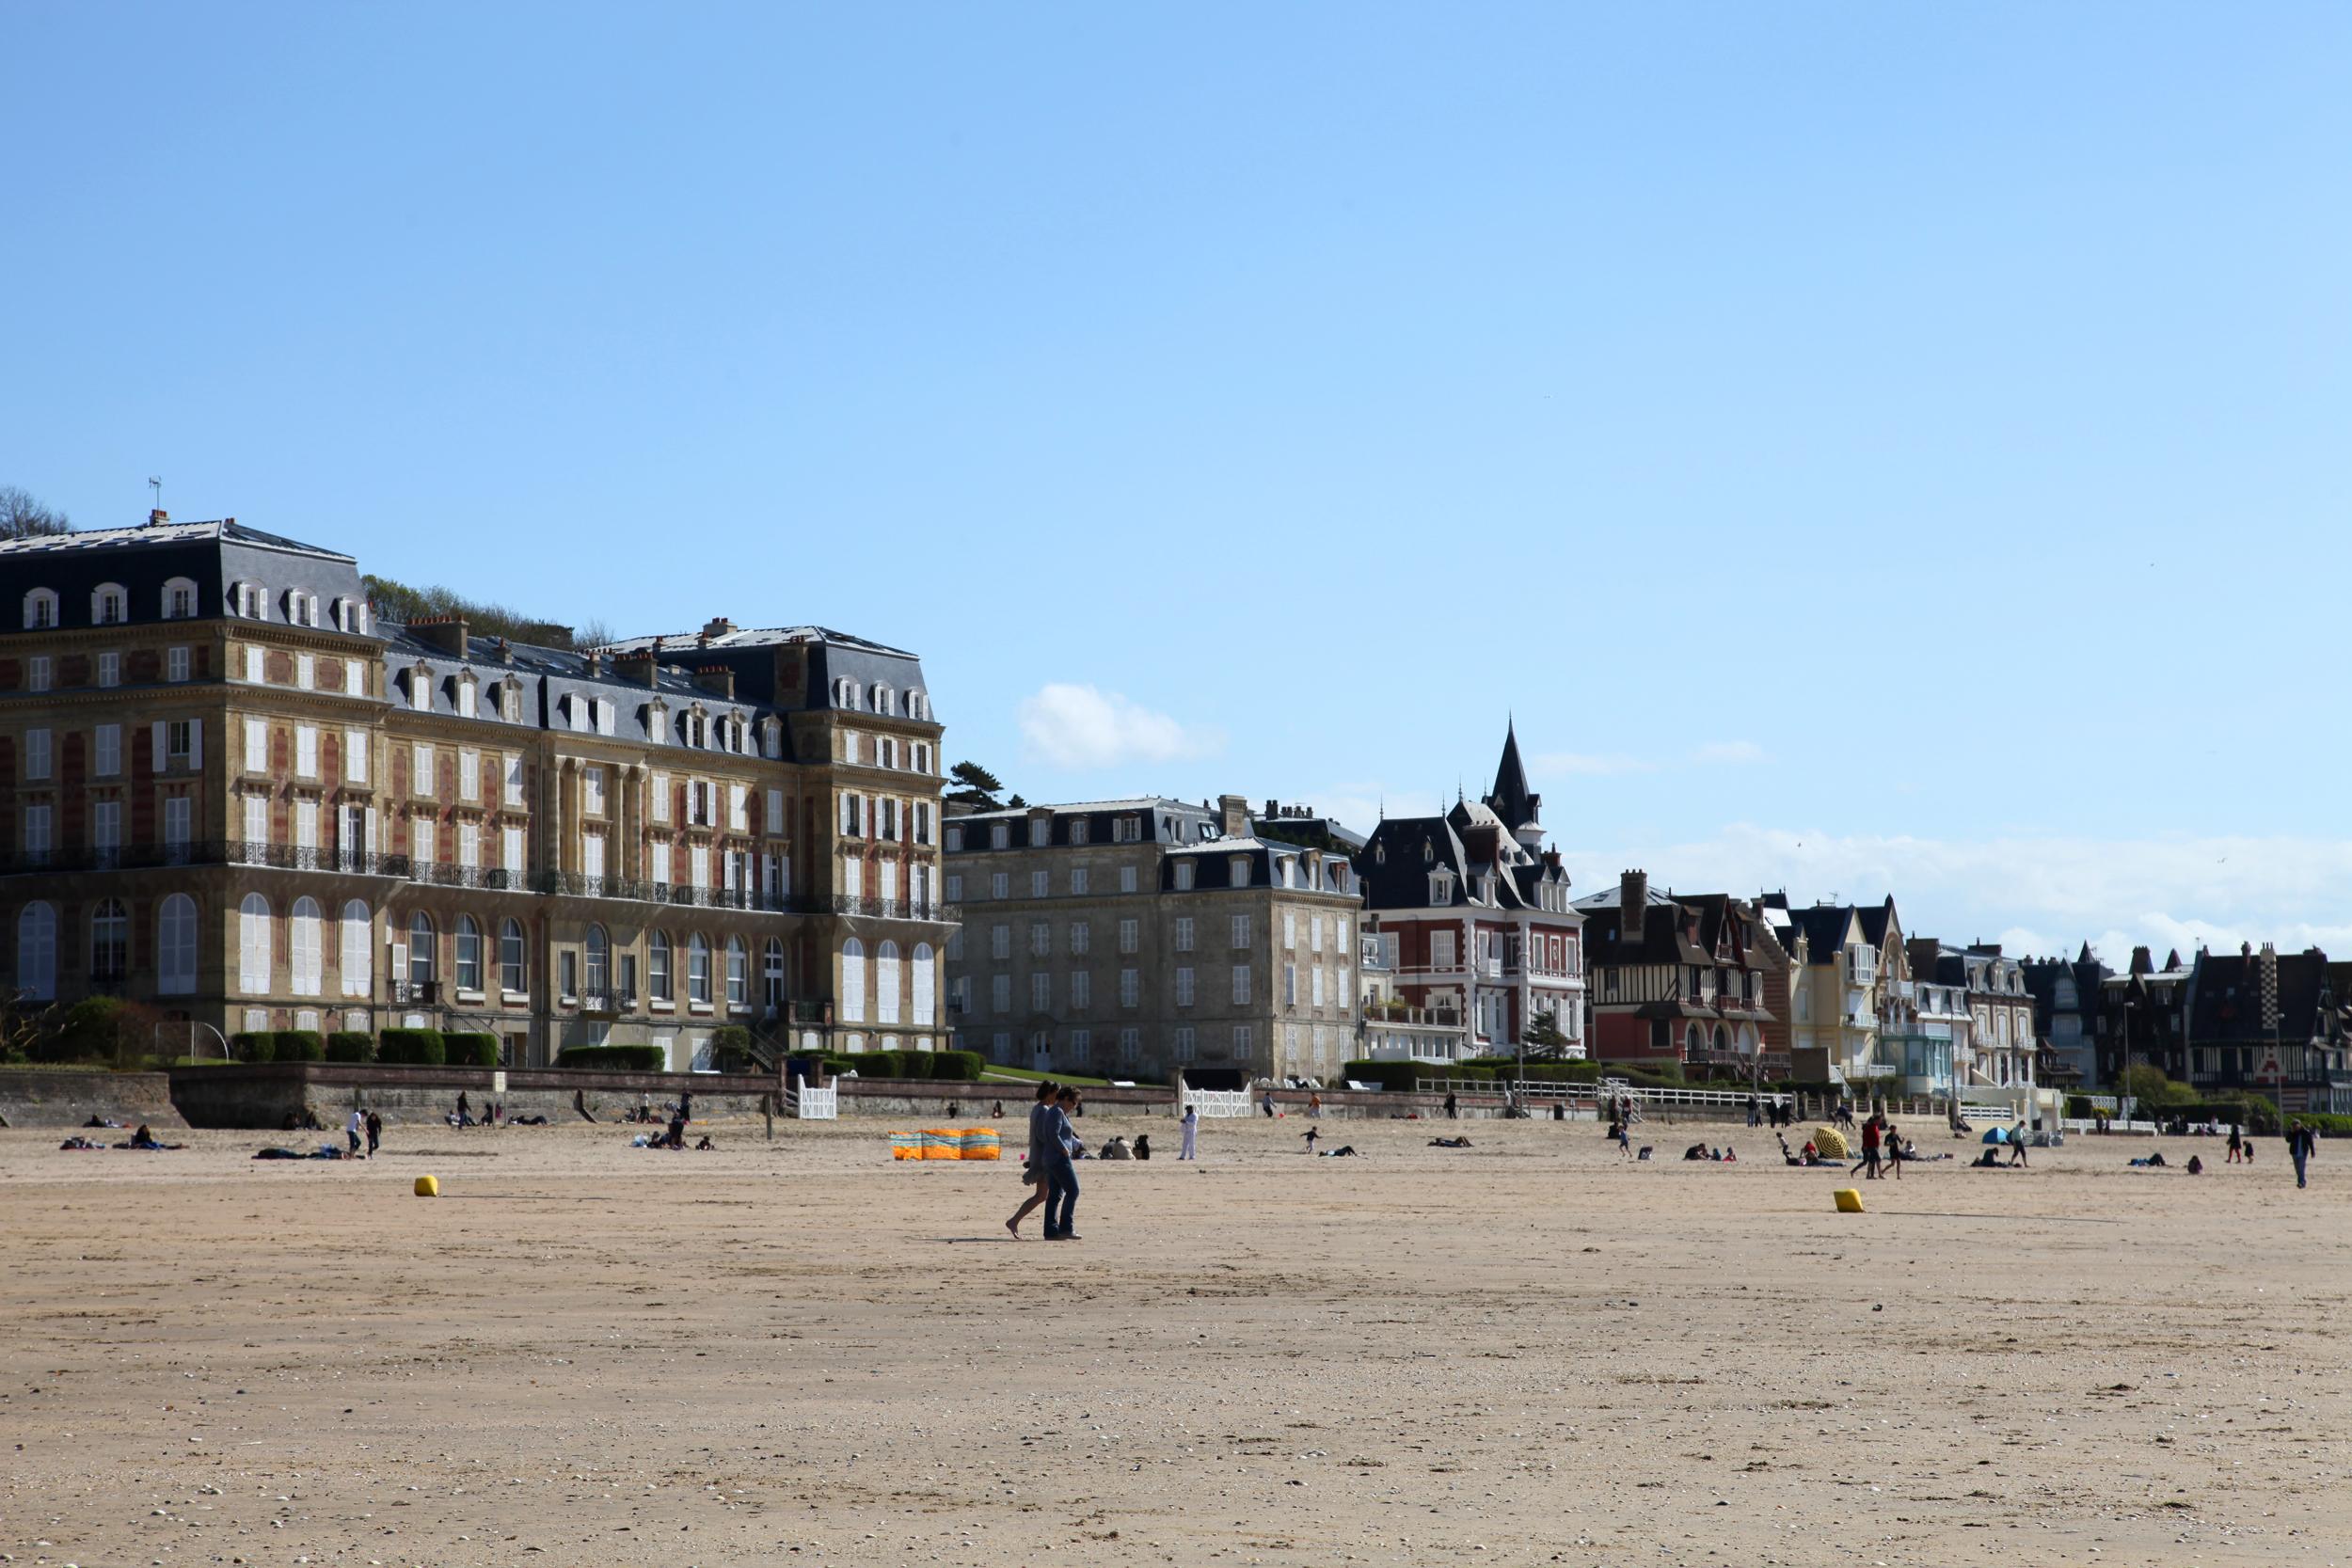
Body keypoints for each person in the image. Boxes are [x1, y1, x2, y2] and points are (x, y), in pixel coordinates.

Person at [1007, 1082, 1058, 1237]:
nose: (1058, 1097)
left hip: (1038, 1155)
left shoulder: (1038, 1108)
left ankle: (1014, 1221)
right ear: (1050, 1093)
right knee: (1045, 1195)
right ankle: (1015, 1221)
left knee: (1042, 1195)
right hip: (1043, 1157)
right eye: (1056, 1093)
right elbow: (1042, 1135)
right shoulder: (1043, 1110)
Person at [1042, 1087, 1083, 1241]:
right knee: (1073, 1190)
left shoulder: (1058, 1112)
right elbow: (1053, 1134)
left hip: (1052, 1158)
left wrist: (1075, 1144)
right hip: (1058, 1158)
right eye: (1073, 1102)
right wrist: (1064, 1149)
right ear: (1065, 1098)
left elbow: (1059, 1134)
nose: (1074, 1106)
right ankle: (1066, 1228)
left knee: (1055, 1194)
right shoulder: (1057, 1112)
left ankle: (1051, 1231)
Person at [2287, 1120, 2317, 1189]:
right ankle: (2301, 1181)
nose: (2295, 1127)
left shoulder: (2305, 1132)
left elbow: (2310, 1142)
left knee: (2301, 1168)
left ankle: (2301, 1182)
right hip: (2294, 1153)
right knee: (2297, 1169)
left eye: (2296, 1125)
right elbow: (2288, 1140)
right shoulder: (2293, 1133)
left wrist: (2312, 1151)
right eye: (2293, 1125)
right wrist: (2291, 1132)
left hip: (2303, 1153)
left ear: (2300, 1125)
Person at [1853, 1116, 1883, 1180]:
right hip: (1870, 1146)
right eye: (1880, 1120)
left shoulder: (1876, 1127)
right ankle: (1880, 1174)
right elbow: (1865, 1137)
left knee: (1871, 1161)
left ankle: (1868, 1175)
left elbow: (1876, 1137)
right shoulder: (1869, 1127)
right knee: (1877, 1159)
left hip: (1875, 1146)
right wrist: (1865, 1146)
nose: (1881, 1121)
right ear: (1876, 1120)